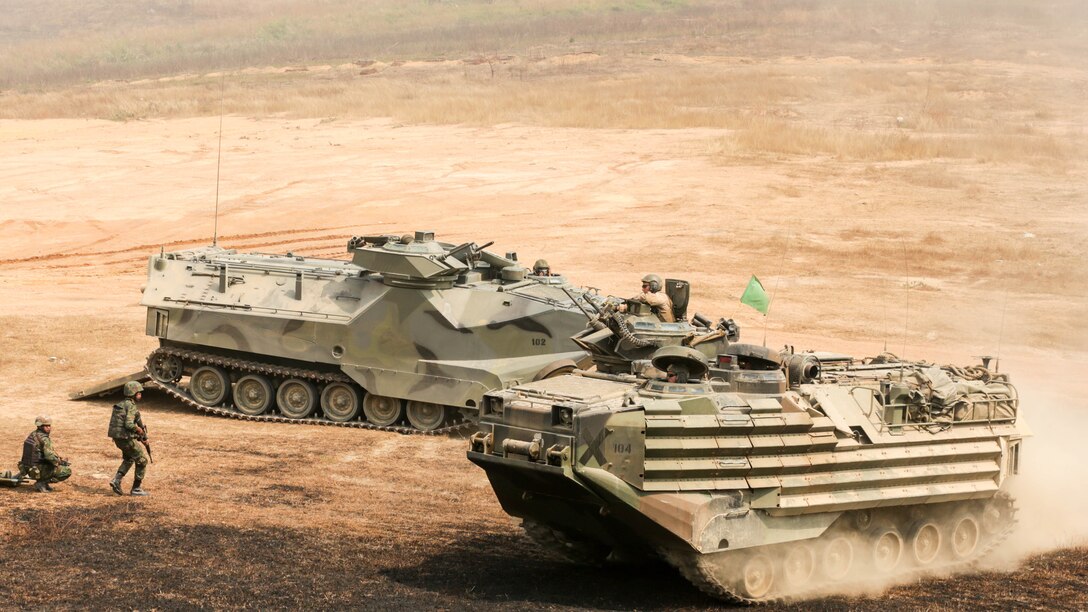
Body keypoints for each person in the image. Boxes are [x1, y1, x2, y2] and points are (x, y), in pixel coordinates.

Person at [108, 381, 150, 497]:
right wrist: (139, 431)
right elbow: (129, 424)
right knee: (142, 460)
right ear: (133, 393)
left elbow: (122, 426)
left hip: (118, 438)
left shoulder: (121, 404)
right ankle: (136, 489)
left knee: (130, 458)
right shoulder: (131, 406)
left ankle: (116, 480)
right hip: (125, 438)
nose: (140, 395)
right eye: (139, 393)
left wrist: (138, 437)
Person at [18, 415, 71, 493]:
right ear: (40, 426)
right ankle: (42, 483)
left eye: (49, 425)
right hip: (38, 470)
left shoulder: (33, 434)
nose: (49, 428)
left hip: (27, 468)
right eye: (46, 426)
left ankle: (43, 482)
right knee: (66, 471)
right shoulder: (44, 439)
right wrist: (60, 462)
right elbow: (49, 456)